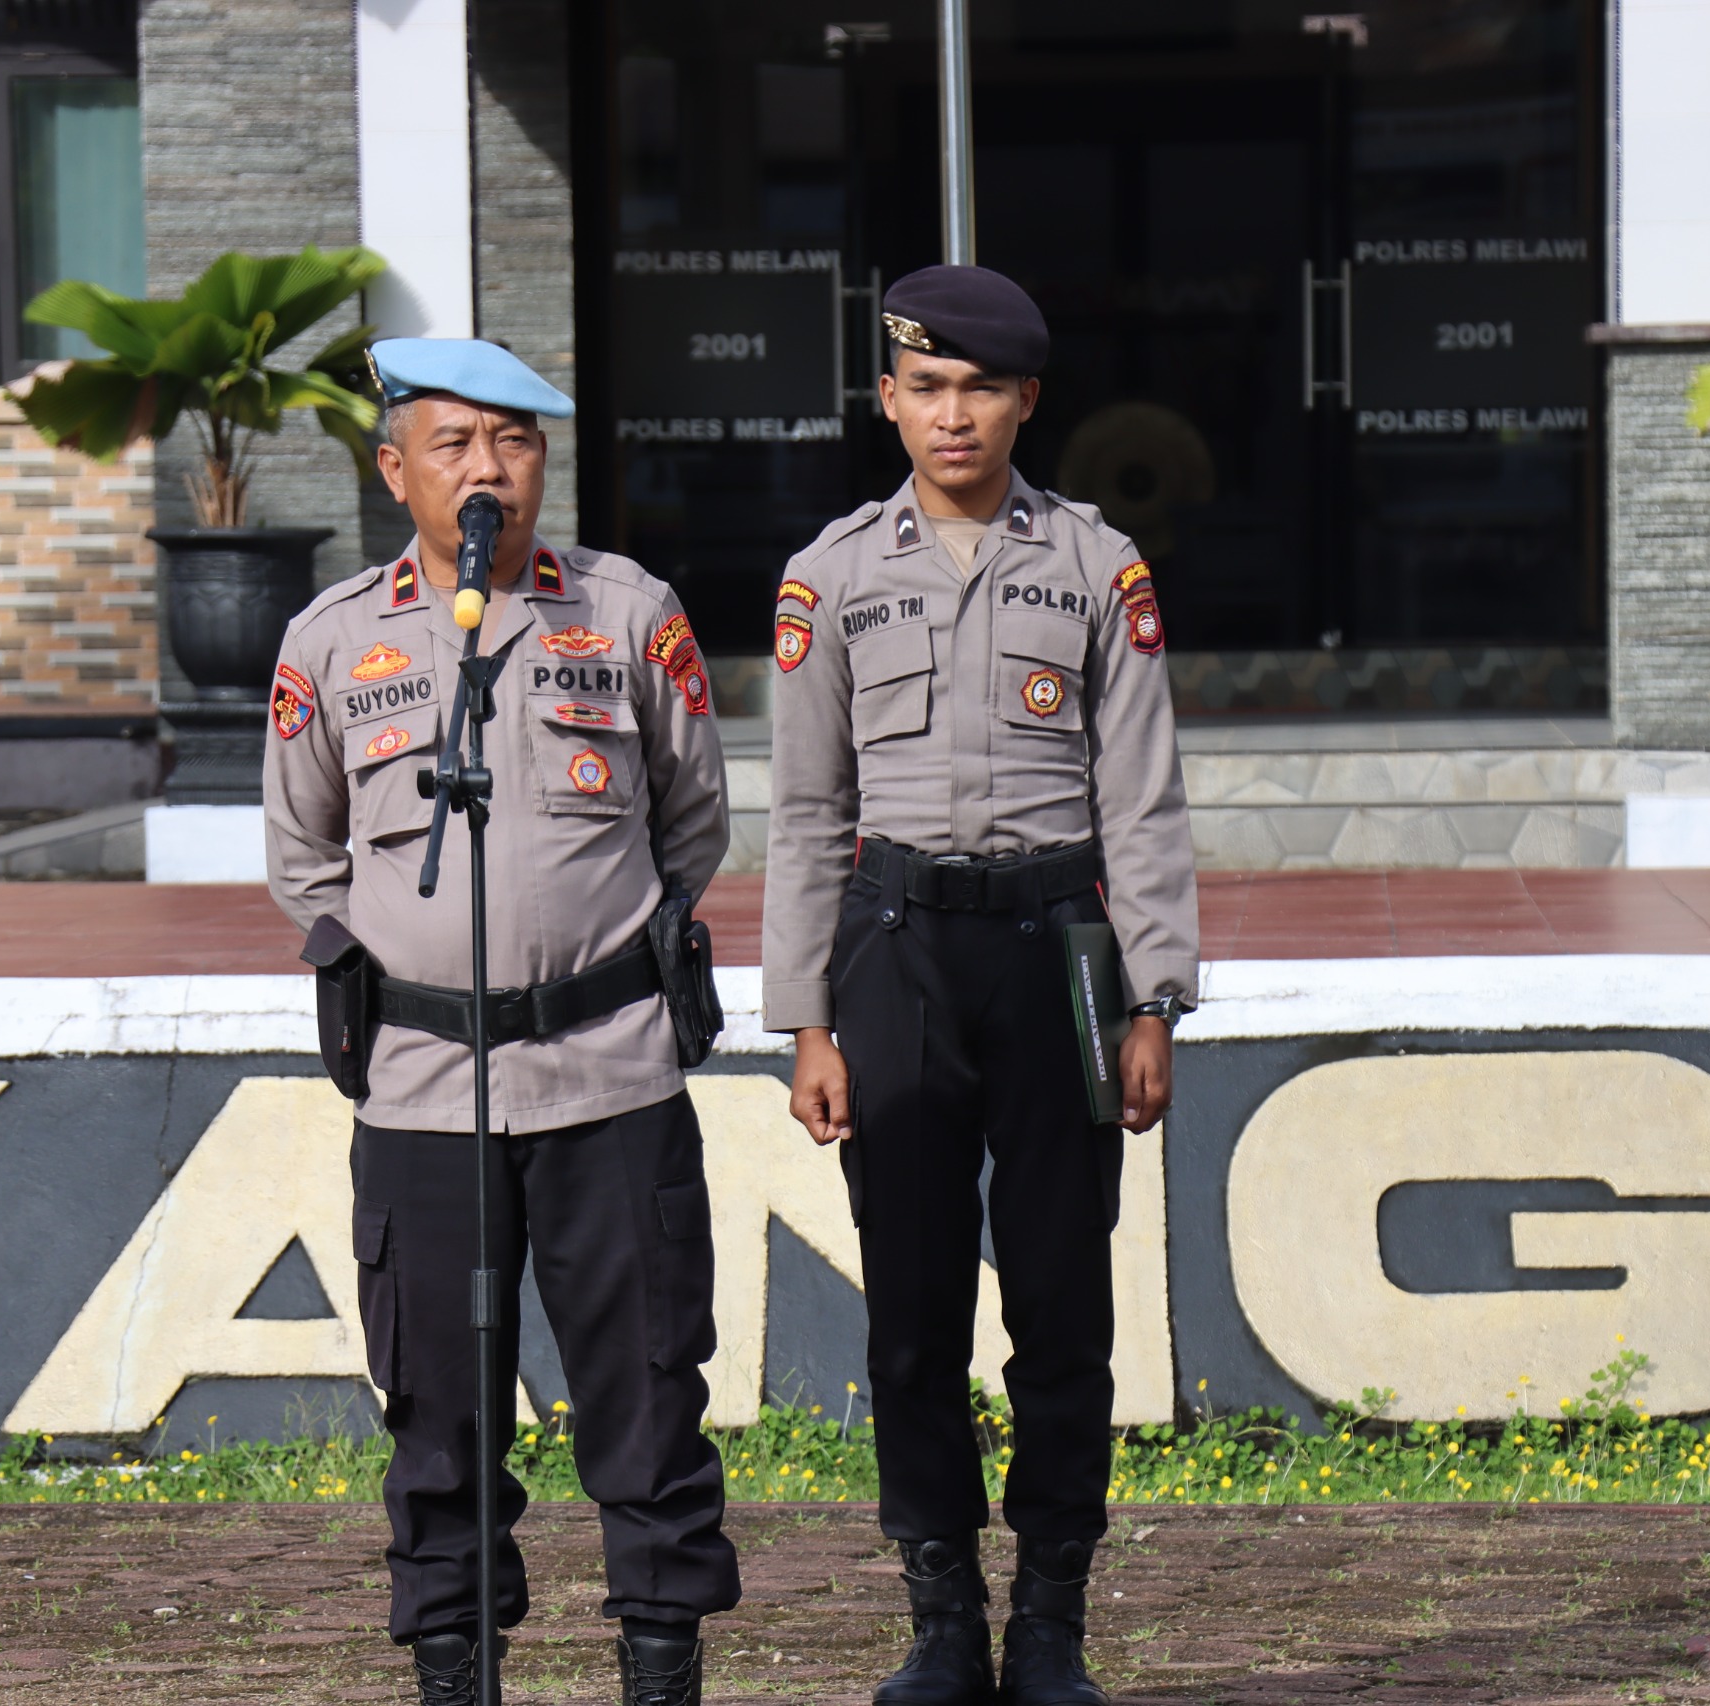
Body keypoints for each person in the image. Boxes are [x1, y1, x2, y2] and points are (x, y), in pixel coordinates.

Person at [264, 338, 739, 1706]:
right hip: (422, 1087)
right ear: (396, 468)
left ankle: (661, 1675)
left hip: (608, 1075)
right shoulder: (333, 639)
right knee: (438, 1416)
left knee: (649, 1400)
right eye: (457, 444)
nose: (490, 470)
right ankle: (456, 1679)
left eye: (515, 442)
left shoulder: (627, 609)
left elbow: (690, 817)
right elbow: (307, 858)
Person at [761, 267, 1199, 1706]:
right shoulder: (829, 577)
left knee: (1065, 1303)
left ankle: (1055, 1621)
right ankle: (943, 1622)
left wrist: (1154, 999)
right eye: (925, 388)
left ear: (1026, 399)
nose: (953, 416)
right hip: (895, 952)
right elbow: (808, 811)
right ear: (886, 396)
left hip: (1062, 948)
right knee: (912, 1307)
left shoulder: (1095, 565)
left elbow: (1141, 803)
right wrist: (807, 1019)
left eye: (981, 389)